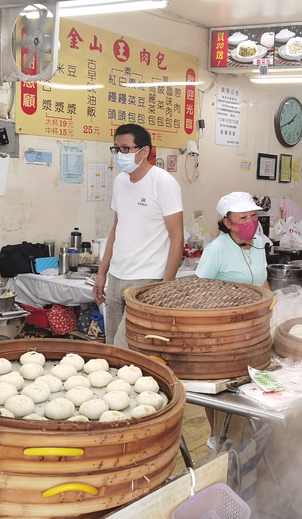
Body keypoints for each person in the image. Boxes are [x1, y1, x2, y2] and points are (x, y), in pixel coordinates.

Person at [93, 124, 184, 345]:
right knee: (112, 343)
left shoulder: (163, 182)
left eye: (125, 149)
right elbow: (116, 228)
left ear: (144, 152)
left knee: (131, 345)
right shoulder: (120, 181)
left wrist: (166, 287)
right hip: (116, 276)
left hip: (147, 278)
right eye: (116, 149)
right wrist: (102, 272)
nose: (119, 155)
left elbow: (177, 238)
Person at [195, 192, 269, 449]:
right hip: (223, 328)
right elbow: (198, 288)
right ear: (227, 222)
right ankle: (217, 436)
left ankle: (245, 432)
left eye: (253, 215)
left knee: (249, 381)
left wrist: (271, 305)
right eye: (243, 217)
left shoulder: (259, 242)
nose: (250, 221)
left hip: (254, 326)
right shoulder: (216, 250)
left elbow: (262, 280)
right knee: (221, 385)